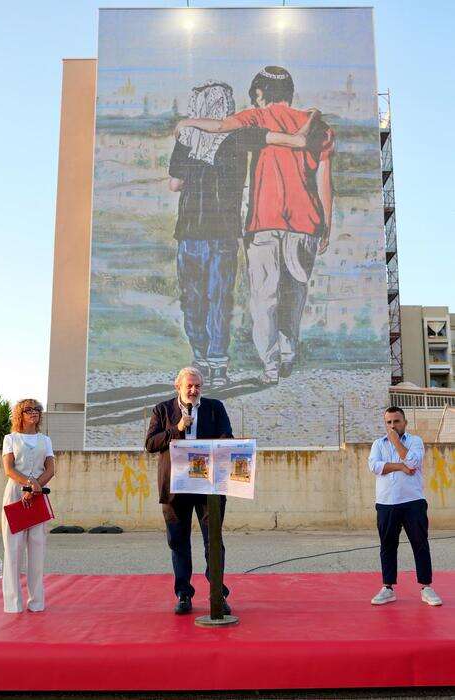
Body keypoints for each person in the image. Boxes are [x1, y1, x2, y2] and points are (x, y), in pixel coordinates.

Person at [176, 66, 334, 385]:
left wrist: (188, 121)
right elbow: (324, 180)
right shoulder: (319, 127)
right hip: (305, 223)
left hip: (263, 221)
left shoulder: (255, 118)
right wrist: (326, 225)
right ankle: (289, 352)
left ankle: (270, 366)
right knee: (295, 291)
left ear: (259, 94)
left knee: (265, 297)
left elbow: (219, 126)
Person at [145, 366, 233, 614]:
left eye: (197, 386)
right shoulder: (162, 410)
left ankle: (218, 594)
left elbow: (227, 436)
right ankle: (184, 594)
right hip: (176, 487)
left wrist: (230, 445)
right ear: (178, 387)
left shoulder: (215, 408)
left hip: (209, 487)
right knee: (178, 542)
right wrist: (177, 428)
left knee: (213, 542)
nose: (194, 390)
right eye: (189, 386)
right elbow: (150, 443)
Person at [368, 406, 442, 606]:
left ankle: (426, 587)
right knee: (387, 545)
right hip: (386, 503)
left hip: (413, 502)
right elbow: (374, 466)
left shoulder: (415, 441)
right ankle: (388, 588)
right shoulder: (377, 444)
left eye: (396, 421)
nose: (392, 425)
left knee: (420, 544)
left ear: (405, 423)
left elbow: (413, 462)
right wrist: (400, 466)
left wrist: (395, 442)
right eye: (389, 422)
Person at [1, 399, 55, 613]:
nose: (34, 413)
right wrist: (27, 485)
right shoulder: (10, 438)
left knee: (37, 548)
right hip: (15, 494)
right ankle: (13, 604)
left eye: (36, 409)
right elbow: (9, 469)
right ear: (20, 414)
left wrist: (35, 488)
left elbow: (50, 469)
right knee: (13, 549)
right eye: (28, 410)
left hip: (38, 495)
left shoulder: (45, 440)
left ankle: (37, 602)